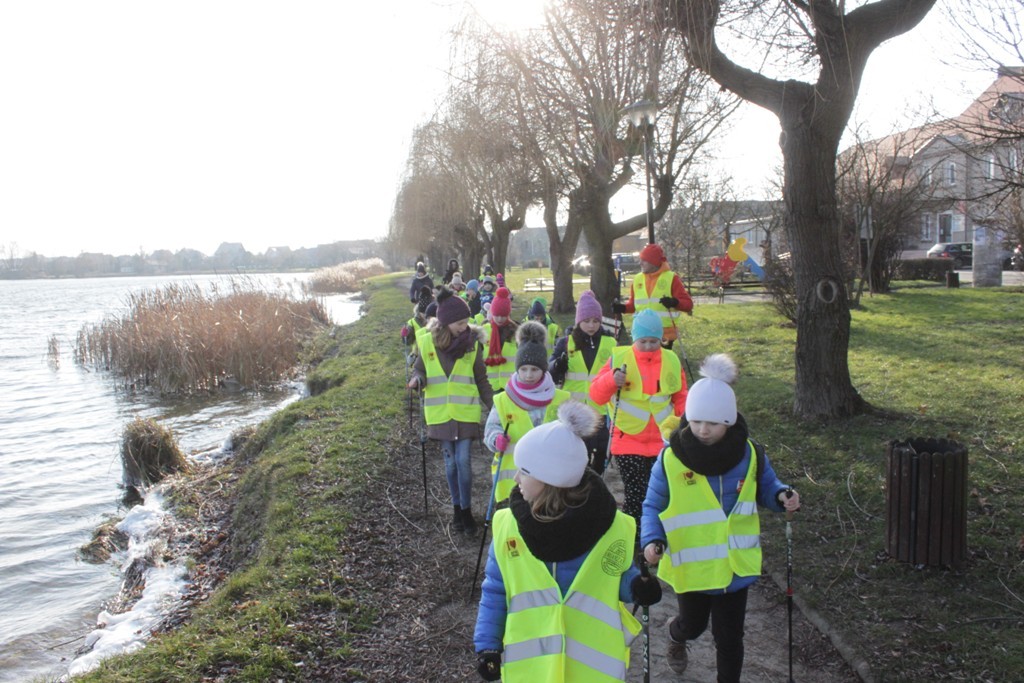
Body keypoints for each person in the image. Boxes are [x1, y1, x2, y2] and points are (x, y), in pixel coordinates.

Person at [473, 401, 663, 682]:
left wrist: (636, 587)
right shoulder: (507, 527)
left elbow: (613, 576)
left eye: (524, 471)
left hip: (593, 669)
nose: (516, 478)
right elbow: (495, 591)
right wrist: (487, 645)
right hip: (532, 669)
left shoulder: (612, 526)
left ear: (551, 479)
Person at [640, 353, 801, 681]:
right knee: (694, 625)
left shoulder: (749, 453)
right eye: (696, 420)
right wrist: (652, 540)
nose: (702, 429)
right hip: (693, 566)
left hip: (733, 567)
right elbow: (652, 505)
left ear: (728, 421)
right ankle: (676, 634)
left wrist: (782, 495)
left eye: (711, 423)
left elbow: (766, 486)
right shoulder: (672, 459)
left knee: (729, 638)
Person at [589, 308, 687, 549]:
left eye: (654, 341)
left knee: (661, 493)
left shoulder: (671, 360)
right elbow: (596, 395)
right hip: (627, 441)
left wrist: (685, 422)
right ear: (634, 338)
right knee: (636, 493)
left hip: (663, 442)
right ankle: (634, 542)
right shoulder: (619, 358)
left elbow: (680, 395)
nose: (648, 346)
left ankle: (656, 539)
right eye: (643, 341)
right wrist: (612, 380)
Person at [408, 287, 494, 535]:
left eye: (467, 321)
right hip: (440, 416)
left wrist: (495, 407)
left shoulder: (473, 346)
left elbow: (482, 380)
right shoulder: (426, 343)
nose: (464, 327)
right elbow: (419, 370)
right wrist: (417, 380)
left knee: (463, 462)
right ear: (445, 323)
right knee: (451, 466)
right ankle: (457, 510)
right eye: (459, 322)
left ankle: (466, 511)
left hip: (465, 413)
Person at [483, 321, 571, 504]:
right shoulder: (504, 399)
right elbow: (491, 427)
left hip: (547, 480)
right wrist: (495, 438)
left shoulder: (560, 398)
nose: (529, 375)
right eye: (523, 369)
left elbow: (571, 435)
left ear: (543, 370)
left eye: (534, 370)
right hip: (511, 480)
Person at [549, 290, 617, 474]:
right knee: (579, 454)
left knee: (602, 452)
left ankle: (596, 482)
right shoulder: (566, 342)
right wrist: (558, 365)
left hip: (602, 408)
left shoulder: (610, 343)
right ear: (579, 321)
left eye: (596, 321)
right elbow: (550, 371)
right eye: (587, 321)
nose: (591, 325)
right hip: (575, 410)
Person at [612, 243, 693, 349]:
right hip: (642, 332)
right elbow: (633, 305)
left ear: (654, 262)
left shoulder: (671, 278)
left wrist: (674, 302)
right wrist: (622, 308)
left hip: (664, 335)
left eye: (644, 260)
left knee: (661, 365)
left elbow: (688, 305)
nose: (640, 263)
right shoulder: (637, 279)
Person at [483, 287, 518, 393]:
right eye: (496, 315)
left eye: (503, 316)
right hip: (490, 384)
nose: (499, 319)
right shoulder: (485, 330)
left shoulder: (515, 332)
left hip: (511, 385)